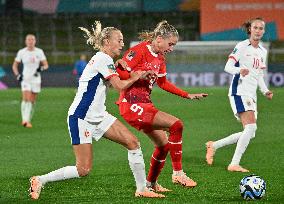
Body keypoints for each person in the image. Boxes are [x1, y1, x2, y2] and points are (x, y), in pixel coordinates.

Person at [29, 21, 164, 200]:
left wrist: (126, 70)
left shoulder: (105, 60)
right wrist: (136, 76)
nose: (123, 44)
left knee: (133, 143)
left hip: (99, 116)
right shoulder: (102, 58)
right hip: (81, 117)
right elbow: (118, 85)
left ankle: (142, 189)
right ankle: (40, 180)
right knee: (83, 169)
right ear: (107, 41)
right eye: (119, 40)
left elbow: (110, 80)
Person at [116, 20, 208, 192]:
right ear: (159, 39)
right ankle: (178, 173)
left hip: (144, 104)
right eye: (170, 44)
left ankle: (151, 185)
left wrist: (187, 95)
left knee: (164, 145)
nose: (171, 48)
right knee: (176, 124)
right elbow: (119, 72)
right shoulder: (139, 50)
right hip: (131, 104)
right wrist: (139, 74)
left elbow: (163, 83)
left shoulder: (160, 58)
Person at [205, 17, 273, 172]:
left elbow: (259, 75)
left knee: (251, 132)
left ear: (264, 31)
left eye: (261, 28)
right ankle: (234, 164)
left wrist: (265, 91)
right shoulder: (242, 46)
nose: (258, 31)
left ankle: (214, 146)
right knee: (250, 127)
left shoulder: (263, 51)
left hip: (252, 94)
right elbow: (228, 66)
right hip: (239, 91)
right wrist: (239, 70)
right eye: (255, 27)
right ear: (250, 29)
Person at [12, 34, 49, 128]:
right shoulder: (22, 52)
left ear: (35, 41)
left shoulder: (39, 52)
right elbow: (14, 66)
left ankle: (27, 119)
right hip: (25, 79)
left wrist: (41, 69)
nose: (30, 41)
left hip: (36, 79)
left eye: (32, 39)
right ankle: (25, 120)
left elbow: (46, 65)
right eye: (28, 39)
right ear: (25, 41)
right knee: (26, 98)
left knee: (32, 101)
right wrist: (17, 75)